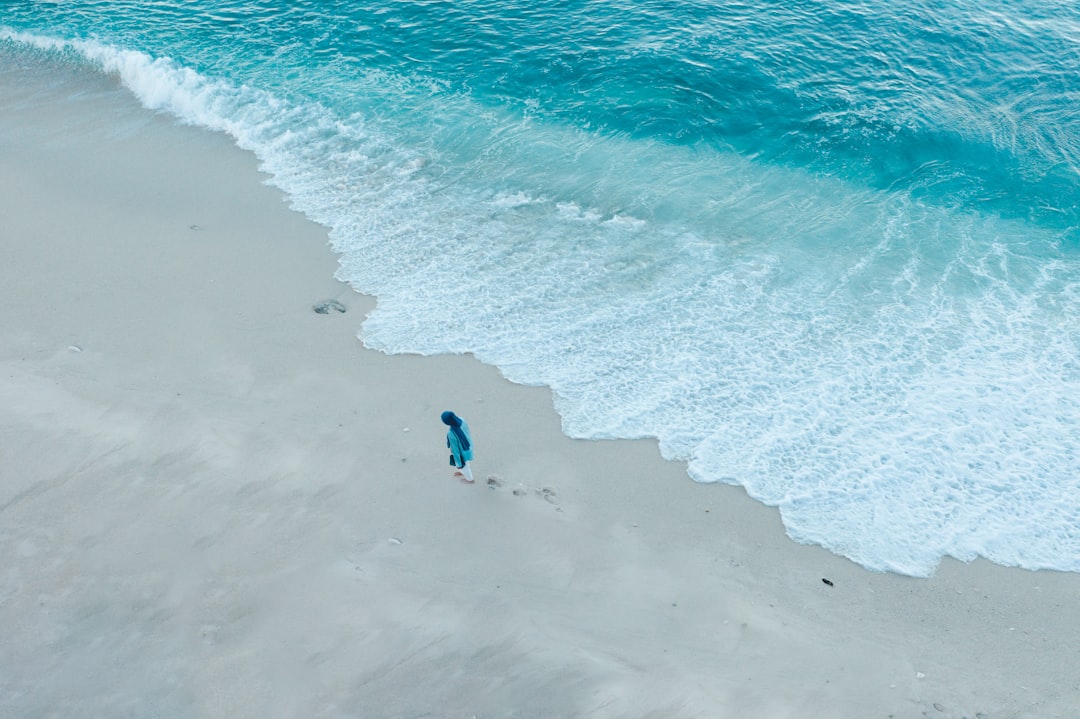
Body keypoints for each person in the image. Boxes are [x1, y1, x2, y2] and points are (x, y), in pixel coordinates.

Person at [441, 410, 475, 483]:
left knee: (464, 466)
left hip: (462, 452)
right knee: (465, 463)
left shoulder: (451, 433)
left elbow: (455, 450)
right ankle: (462, 471)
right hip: (468, 445)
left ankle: (470, 480)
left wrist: (459, 464)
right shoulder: (462, 420)